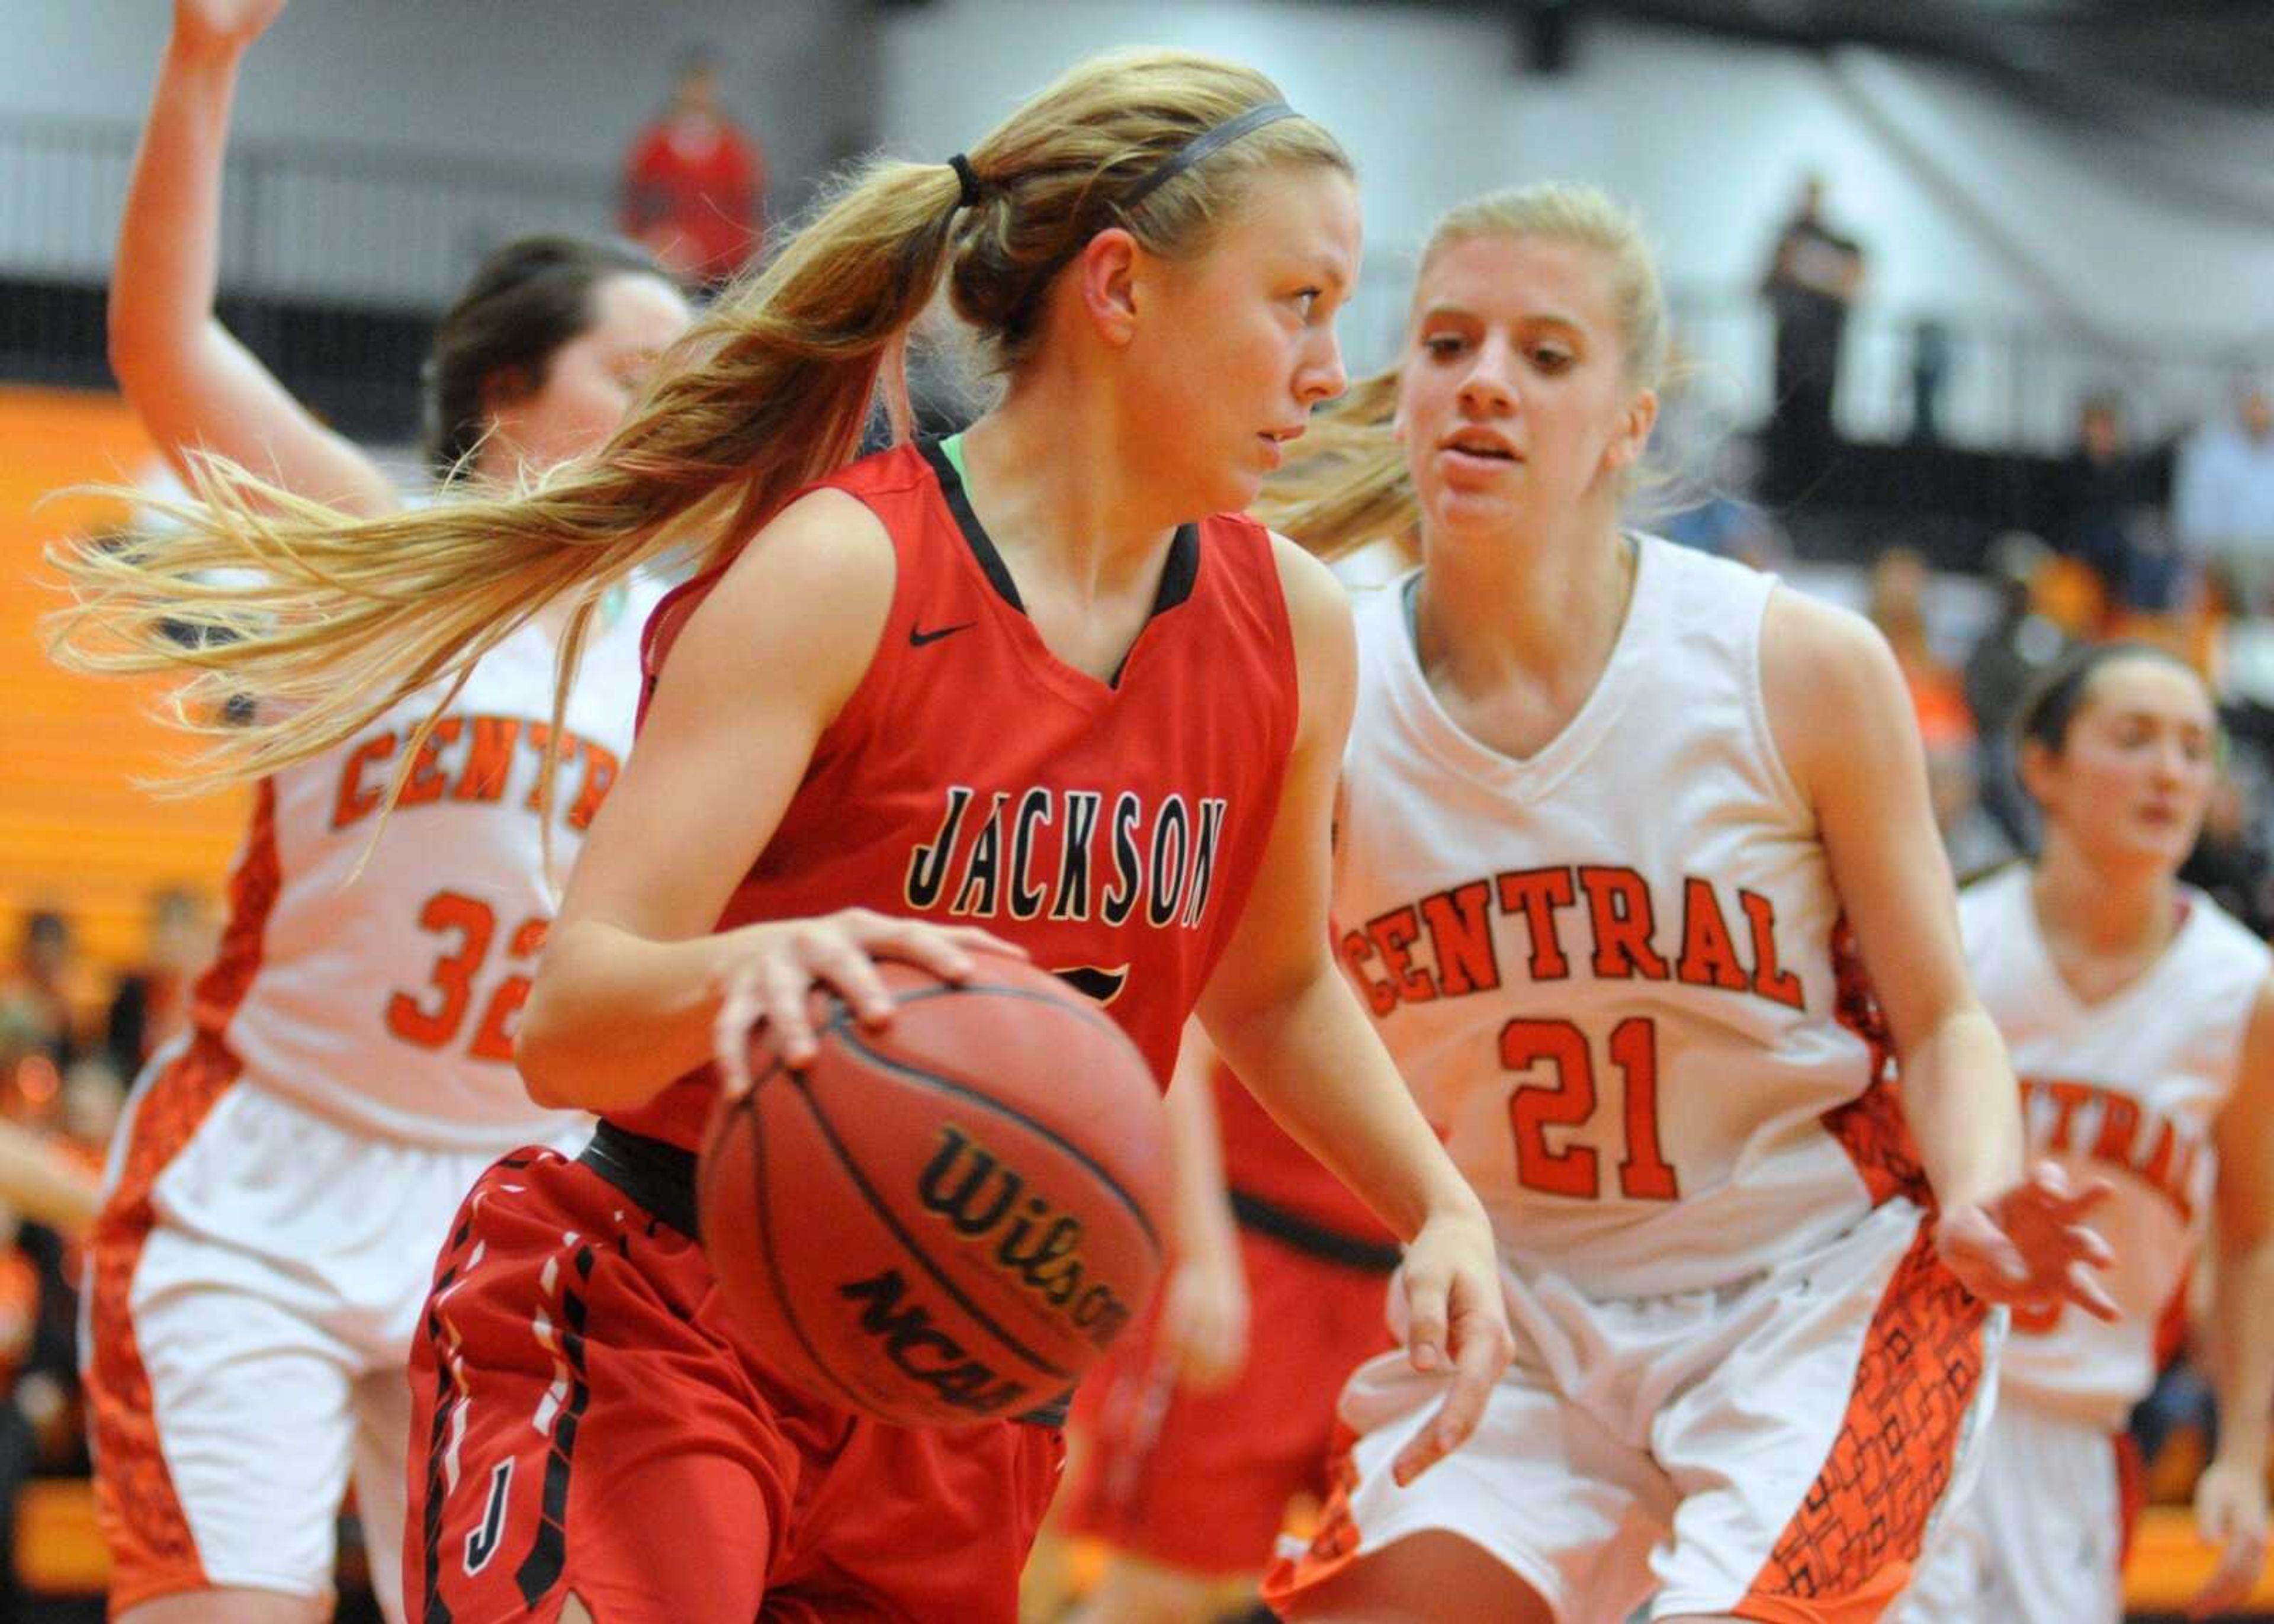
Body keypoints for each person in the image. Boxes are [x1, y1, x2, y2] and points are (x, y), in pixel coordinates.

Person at [53, 50, 1515, 1623]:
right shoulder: (846, 569)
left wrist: (1440, 1204)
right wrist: (770, 959)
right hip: (667, 1316)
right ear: (1120, 287)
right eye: (1298, 298)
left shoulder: (1290, 625)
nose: (1329, 364)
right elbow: (573, 1019)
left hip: (964, 1372)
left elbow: (1275, 979)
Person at [1250, 181, 2114, 1623]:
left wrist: (1972, 1187)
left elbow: (1945, 1014)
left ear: (1630, 420)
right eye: (1448, 341)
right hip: (1515, 1308)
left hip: (1807, 1298)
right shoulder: (1321, 673)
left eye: (1544, 354)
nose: (1483, 382)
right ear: (1400, 386)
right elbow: (1261, 993)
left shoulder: (1792, 668)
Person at [58, 2, 692, 1619]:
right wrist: (203, 64)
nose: (676, 410)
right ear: (509, 390)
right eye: (637, 373)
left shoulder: (701, 638)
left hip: (511, 1206)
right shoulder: (376, 549)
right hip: (263, 1184)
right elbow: (163, 347)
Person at [1895, 644, 2274, 1624]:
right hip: (1906, 1400)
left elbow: (2249, 1234)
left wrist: (2239, 1454)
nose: (2172, 772)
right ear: (2043, 768)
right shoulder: (1954, 945)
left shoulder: (2241, 990)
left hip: (2079, 1437)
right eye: (2135, 737)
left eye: (2197, 749)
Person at [1053, 1021, 1399, 1623]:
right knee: (1166, 1593)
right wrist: (1205, 1254)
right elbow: (1180, 1051)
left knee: (1390, 1595)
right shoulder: (1315, 923)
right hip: (1258, 1257)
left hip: (1400, 1284)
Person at [619, 45, 766, 290]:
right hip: (667, 262)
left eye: (706, 85)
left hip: (723, 266)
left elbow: (749, 207)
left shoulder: (736, 149)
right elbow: (636, 207)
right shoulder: (654, 146)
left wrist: (748, 256)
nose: (699, 93)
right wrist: (650, 245)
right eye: (693, 84)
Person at [1759, 173, 1864, 504]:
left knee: (1818, 431)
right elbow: (1763, 288)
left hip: (1824, 355)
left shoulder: (1841, 243)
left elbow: (1854, 289)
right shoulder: (1786, 240)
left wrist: (1810, 274)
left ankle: (1818, 504)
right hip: (1788, 352)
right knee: (1784, 430)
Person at [2174, 379, 2274, 615]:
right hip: (2230, 551)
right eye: (2255, 406)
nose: (2260, 414)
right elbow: (2195, 518)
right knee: (2249, 573)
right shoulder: (2211, 453)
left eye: (2265, 407)